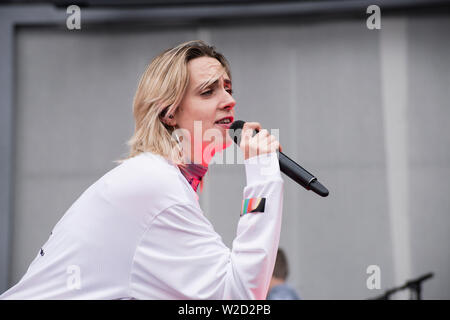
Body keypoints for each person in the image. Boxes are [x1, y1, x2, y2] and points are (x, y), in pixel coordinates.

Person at [0, 40, 284, 299]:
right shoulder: (154, 185)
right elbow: (238, 298)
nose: (229, 100)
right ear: (168, 113)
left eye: (228, 89)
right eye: (208, 91)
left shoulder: (161, 179)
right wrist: (262, 177)